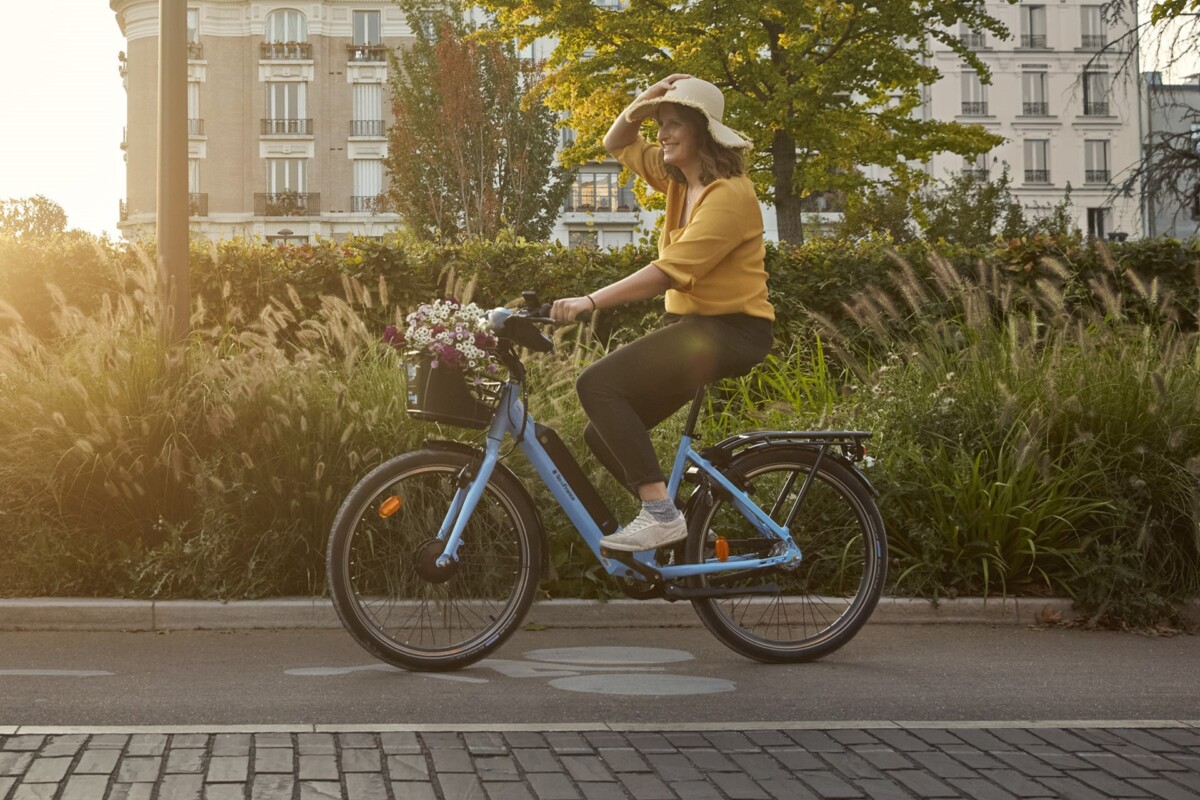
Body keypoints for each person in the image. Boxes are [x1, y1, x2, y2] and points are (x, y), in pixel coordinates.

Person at [550, 75, 774, 553]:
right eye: (661, 125)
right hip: (693, 329)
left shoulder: (730, 195)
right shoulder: (677, 180)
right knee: (601, 433)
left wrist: (589, 301)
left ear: (703, 132)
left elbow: (666, 273)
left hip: (731, 331)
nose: (663, 134)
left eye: (674, 124)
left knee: (597, 385)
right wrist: (648, 98)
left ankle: (660, 515)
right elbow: (616, 140)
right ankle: (688, 533)